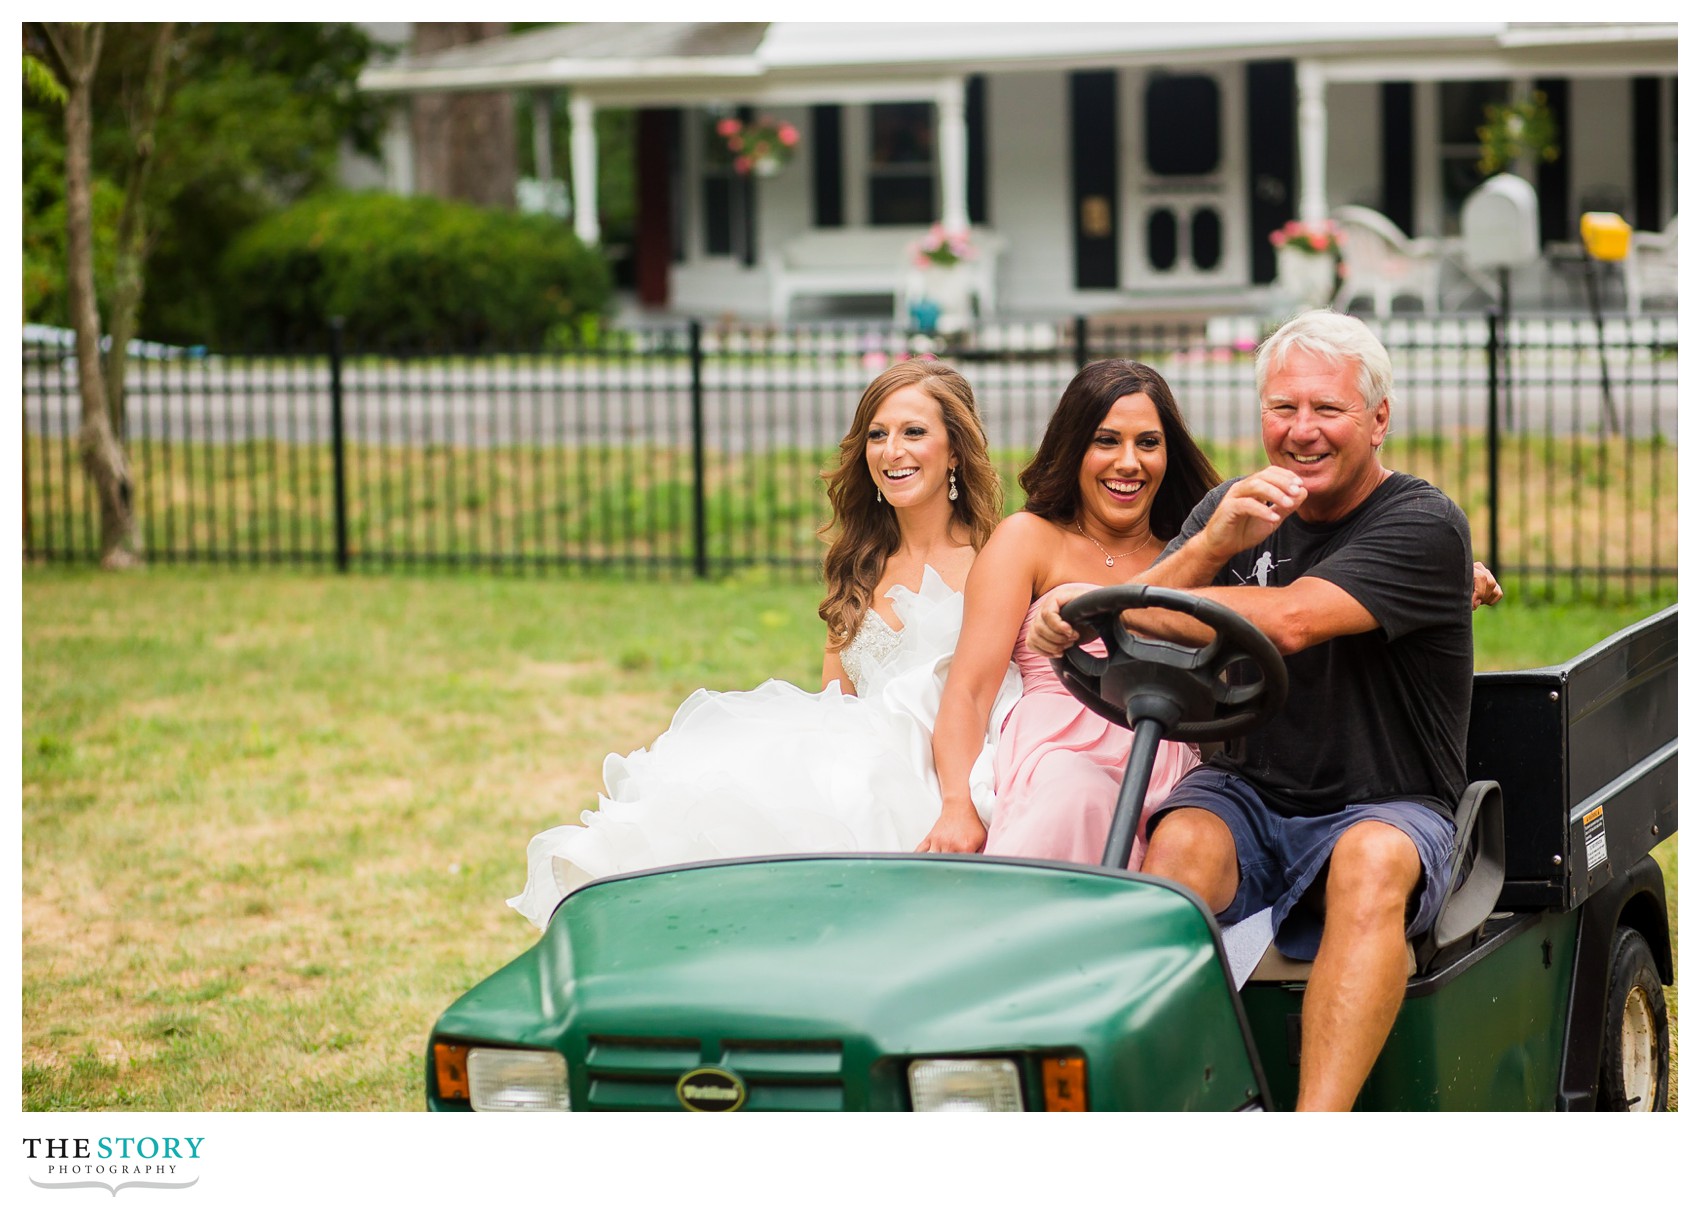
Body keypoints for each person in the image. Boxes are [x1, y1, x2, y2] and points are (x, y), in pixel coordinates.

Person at [1030, 309, 1489, 1110]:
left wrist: (1154, 598)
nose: (1301, 430)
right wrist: (1214, 542)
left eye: (1327, 409)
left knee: (1372, 860)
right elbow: (1143, 622)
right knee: (1175, 853)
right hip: (1248, 792)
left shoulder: (1422, 523)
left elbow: (1294, 620)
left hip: (1387, 797)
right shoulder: (1232, 511)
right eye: (1283, 408)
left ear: (1378, 419)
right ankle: (1165, 1109)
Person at [508, 360, 1021, 930]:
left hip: (960, 770)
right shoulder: (860, 565)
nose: (892, 450)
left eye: (914, 432)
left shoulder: (998, 557)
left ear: (955, 450)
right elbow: (837, 700)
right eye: (878, 434)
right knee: (721, 788)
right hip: (863, 760)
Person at [919, 359, 1220, 866]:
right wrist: (957, 806)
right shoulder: (1028, 539)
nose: (1129, 462)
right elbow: (968, 692)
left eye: (1148, 443)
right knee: (1079, 796)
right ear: (1074, 446)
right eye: (1106, 441)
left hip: (1165, 764)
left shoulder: (1189, 554)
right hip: (1058, 754)